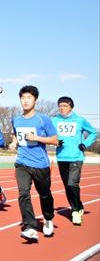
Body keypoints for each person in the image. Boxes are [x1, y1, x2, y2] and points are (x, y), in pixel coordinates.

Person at [9, 85, 58, 242]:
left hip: (40, 164)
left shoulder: (43, 119)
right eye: (23, 98)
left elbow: (55, 140)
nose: (25, 101)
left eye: (29, 97)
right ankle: (30, 226)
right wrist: (13, 143)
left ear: (35, 100)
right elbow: (16, 135)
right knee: (23, 193)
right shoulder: (15, 119)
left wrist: (37, 138)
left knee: (45, 194)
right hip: (22, 162)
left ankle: (48, 218)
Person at [52, 96, 97, 225]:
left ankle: (75, 211)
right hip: (61, 157)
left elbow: (93, 132)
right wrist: (54, 141)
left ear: (71, 107)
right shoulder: (54, 120)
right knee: (67, 186)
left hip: (76, 157)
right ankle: (78, 206)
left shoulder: (80, 120)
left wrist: (85, 143)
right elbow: (48, 133)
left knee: (72, 184)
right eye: (60, 105)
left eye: (65, 105)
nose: (62, 108)